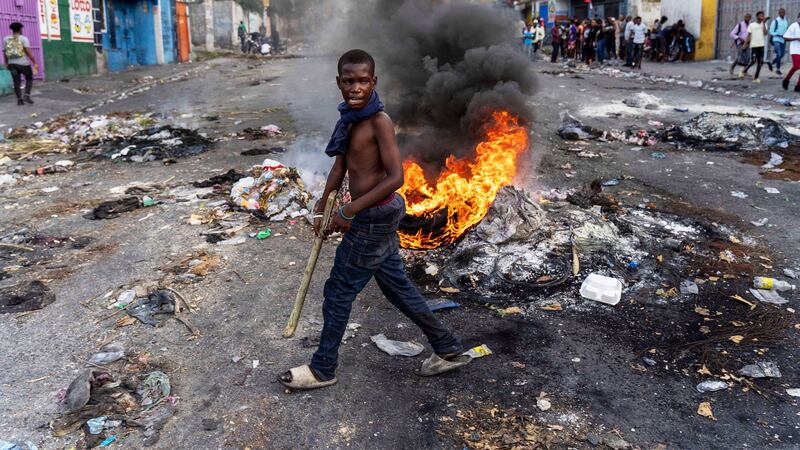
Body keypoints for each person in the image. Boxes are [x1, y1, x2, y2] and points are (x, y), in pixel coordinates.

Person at [278, 49, 469, 390]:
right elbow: (340, 165)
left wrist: (349, 211)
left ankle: (323, 369)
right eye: (349, 81)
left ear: (373, 82)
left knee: (337, 292)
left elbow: (396, 178)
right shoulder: (349, 120)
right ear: (339, 83)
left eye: (363, 81)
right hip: (374, 214)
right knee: (398, 287)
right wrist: (323, 207)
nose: (355, 88)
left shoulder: (379, 121)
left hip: (374, 215)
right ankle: (448, 347)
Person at [3, 22, 37, 106]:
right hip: (23, 64)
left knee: (16, 81)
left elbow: (5, 52)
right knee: (29, 78)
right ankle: (26, 95)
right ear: (20, 29)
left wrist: (7, 63)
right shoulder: (23, 39)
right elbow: (28, 52)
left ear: (12, 30)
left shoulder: (6, 39)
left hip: (12, 64)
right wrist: (34, 62)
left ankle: (19, 100)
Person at [741, 11, 772, 83]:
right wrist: (745, 44)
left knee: (760, 62)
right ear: (757, 16)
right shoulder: (752, 25)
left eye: (763, 16)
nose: (762, 17)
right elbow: (748, 36)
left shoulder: (764, 24)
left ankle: (756, 77)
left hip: (761, 46)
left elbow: (765, 33)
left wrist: (764, 23)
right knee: (753, 61)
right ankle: (744, 71)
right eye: (761, 15)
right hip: (754, 46)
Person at [783, 12, 800, 92]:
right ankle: (786, 80)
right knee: (797, 66)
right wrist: (796, 38)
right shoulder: (794, 25)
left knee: (796, 66)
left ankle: (798, 86)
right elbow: (785, 37)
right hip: (795, 49)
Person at [770, 8, 789, 75]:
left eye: (783, 12)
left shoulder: (786, 21)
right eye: (781, 12)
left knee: (782, 54)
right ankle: (778, 69)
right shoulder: (775, 21)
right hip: (776, 39)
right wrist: (777, 34)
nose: (782, 14)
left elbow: (787, 30)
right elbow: (771, 31)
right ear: (779, 13)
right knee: (779, 53)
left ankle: (772, 62)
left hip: (783, 39)